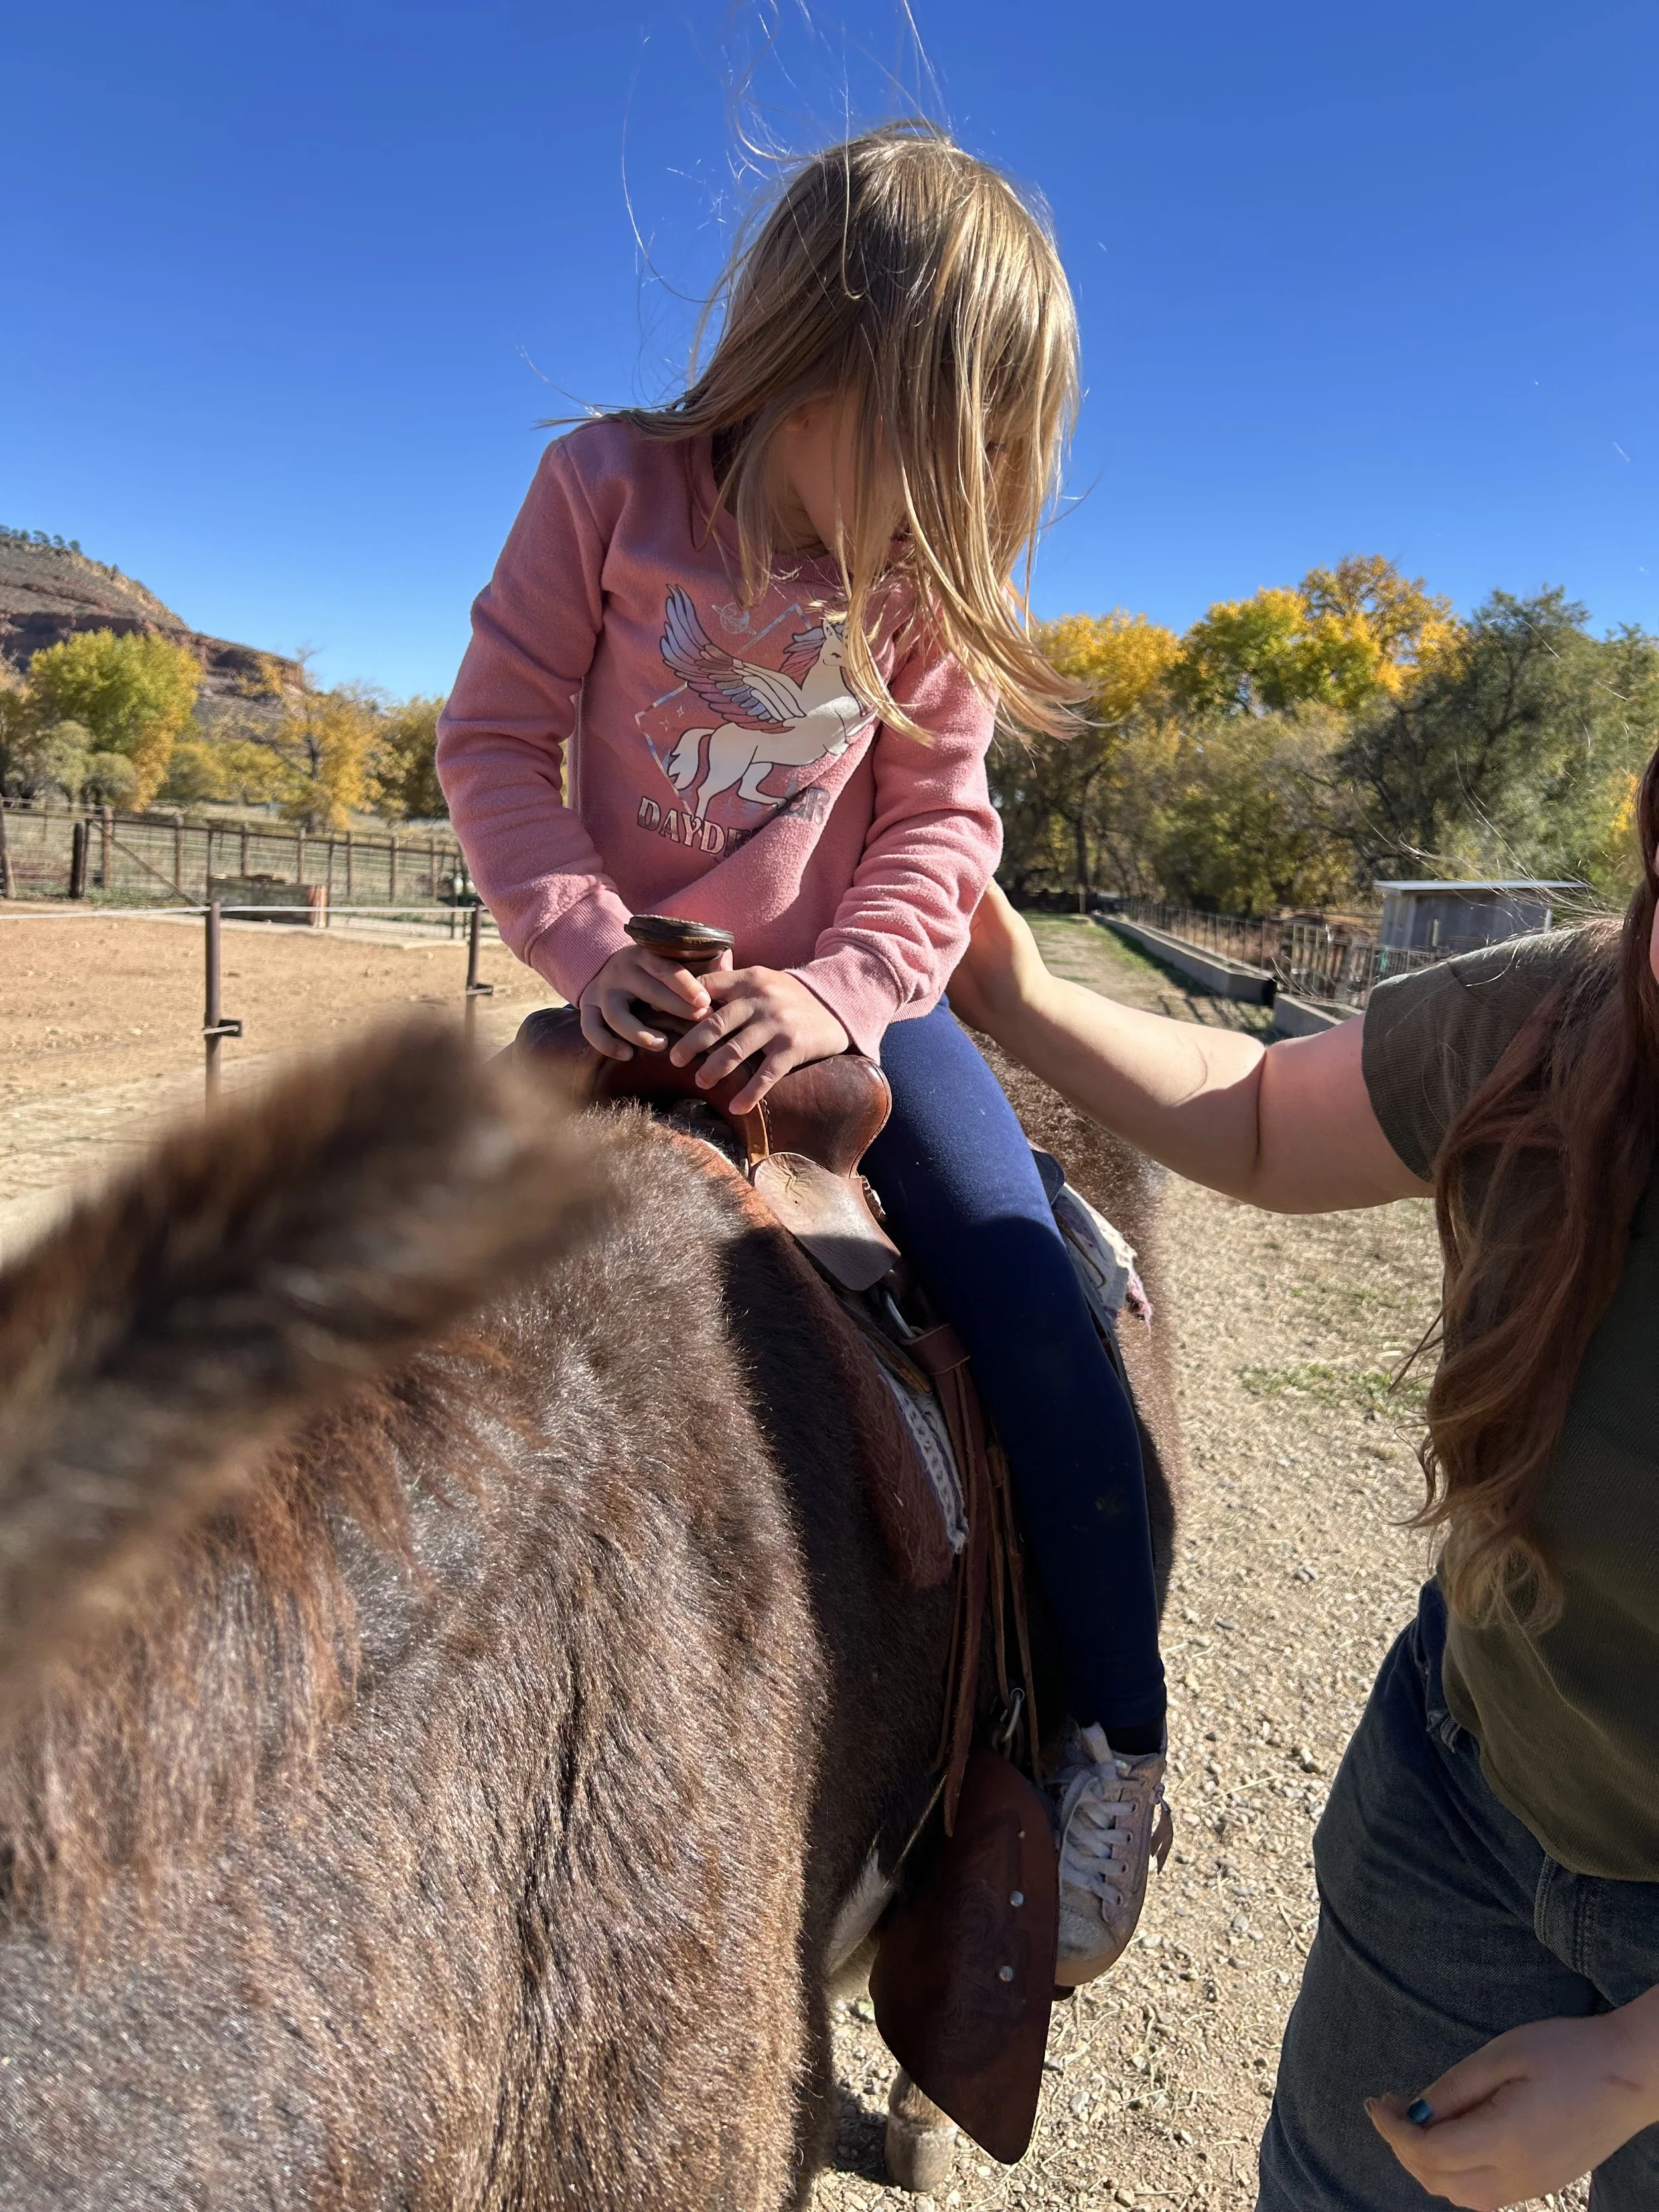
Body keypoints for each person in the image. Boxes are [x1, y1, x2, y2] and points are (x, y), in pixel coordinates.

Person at [435, 123, 1170, 1982]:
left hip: (856, 1008)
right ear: (813, 366)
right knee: (359, 1282)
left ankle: (1103, 1738)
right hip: (632, 991)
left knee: (1030, 1302)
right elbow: (496, 747)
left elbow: (939, 828)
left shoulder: (912, 587)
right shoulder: (604, 488)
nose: (963, 509)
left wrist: (845, 989)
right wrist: (588, 948)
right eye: (947, 450)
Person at [946, 824, 1659, 2209]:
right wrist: (1020, 996)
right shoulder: (1560, 1012)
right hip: (1468, 1784)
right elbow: (1269, 1111)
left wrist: (1635, 2064)